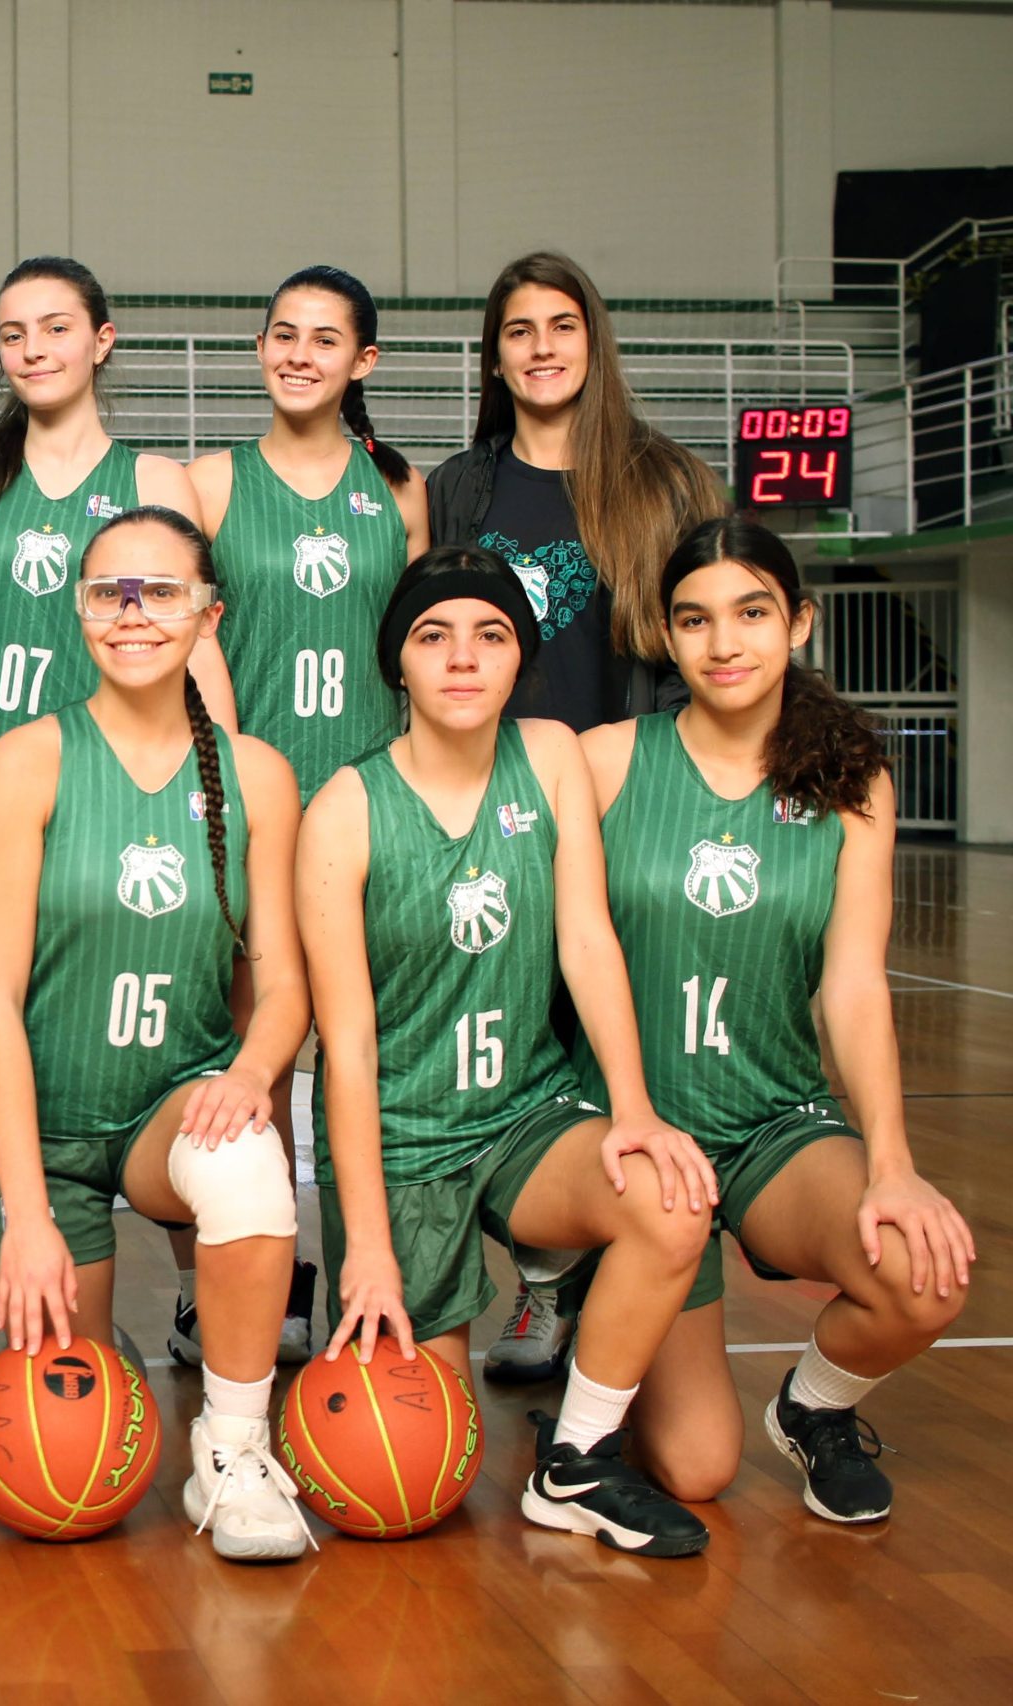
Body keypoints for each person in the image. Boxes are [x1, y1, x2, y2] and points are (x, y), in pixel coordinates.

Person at [299, 545, 719, 1557]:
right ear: (395, 660)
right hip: (402, 1140)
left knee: (670, 1198)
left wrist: (631, 1106)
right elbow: (344, 1046)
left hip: (525, 1111)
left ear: (517, 657)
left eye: (490, 636)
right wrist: (363, 1244)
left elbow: (584, 940)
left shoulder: (550, 756)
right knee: (417, 1478)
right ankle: (422, 1311)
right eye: (432, 635)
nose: (461, 658)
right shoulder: (345, 809)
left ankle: (572, 1459)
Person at [580, 518, 973, 1524]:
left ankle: (816, 1407)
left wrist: (889, 1159)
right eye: (695, 619)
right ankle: (596, 1317)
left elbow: (850, 984)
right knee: (698, 1464)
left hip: (771, 1121)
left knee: (920, 1275)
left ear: (797, 620)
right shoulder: (603, 762)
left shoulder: (852, 784)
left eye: (751, 612)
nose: (724, 643)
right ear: (665, 637)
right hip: (633, 1135)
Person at [0, 508, 312, 1562]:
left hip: (170, 1107)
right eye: (110, 591)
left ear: (209, 613)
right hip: (49, 1125)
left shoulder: (256, 773)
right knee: (77, 1437)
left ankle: (233, 1446)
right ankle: (94, 1315)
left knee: (249, 1164)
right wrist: (23, 1212)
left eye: (160, 591)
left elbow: (284, 983)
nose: (133, 613)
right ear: (78, 611)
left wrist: (250, 1070)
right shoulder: (27, 761)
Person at [431, 252, 725, 1382]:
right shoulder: (462, 485)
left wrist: (654, 787)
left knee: (610, 1043)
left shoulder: (667, 478)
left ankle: (607, 1283)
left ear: (592, 341)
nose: (541, 345)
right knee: (511, 1045)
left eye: (561, 324)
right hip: (497, 798)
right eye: (517, 329)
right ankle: (543, 1282)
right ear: (494, 353)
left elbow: (693, 647)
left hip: (623, 791)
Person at [187, 264, 429, 1367]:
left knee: (370, 1048)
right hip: (262, 805)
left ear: (361, 360)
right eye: (281, 333)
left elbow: (425, 642)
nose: (298, 352)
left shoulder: (400, 489)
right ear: (259, 346)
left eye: (323, 338)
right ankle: (261, 1274)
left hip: (375, 802)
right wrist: (237, 784)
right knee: (264, 1048)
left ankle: (383, 1260)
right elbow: (199, 645)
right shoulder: (210, 483)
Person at [0, 256, 224, 799]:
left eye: (56, 328)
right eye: (14, 335)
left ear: (102, 341)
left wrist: (223, 778)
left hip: (98, 762)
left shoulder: (155, 481)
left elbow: (195, 645)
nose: (33, 348)